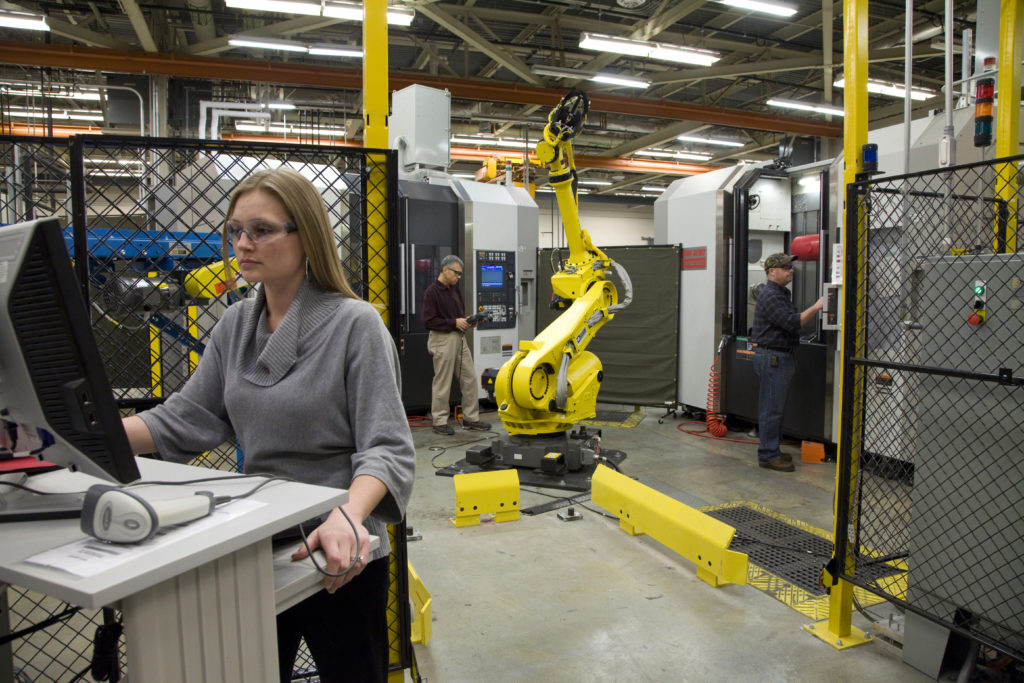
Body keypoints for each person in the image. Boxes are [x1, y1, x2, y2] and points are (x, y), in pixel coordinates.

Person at [121, 168, 415, 682]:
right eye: (236, 230)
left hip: (340, 548)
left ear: (307, 236)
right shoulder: (235, 326)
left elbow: (387, 447)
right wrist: (77, 435)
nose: (242, 244)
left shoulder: (355, 324)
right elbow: (186, 419)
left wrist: (348, 515)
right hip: (259, 543)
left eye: (261, 230)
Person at [751, 252, 824, 473]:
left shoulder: (781, 294)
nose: (791, 270)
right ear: (772, 271)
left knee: (776, 408)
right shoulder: (771, 296)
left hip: (779, 357)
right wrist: (817, 306)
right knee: (771, 409)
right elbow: (793, 322)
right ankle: (768, 455)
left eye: (790, 267)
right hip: (773, 358)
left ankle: (772, 449)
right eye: (785, 267)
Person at [421, 254, 491, 435]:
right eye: (456, 273)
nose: (459, 277)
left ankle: (471, 418)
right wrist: (454, 322)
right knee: (442, 381)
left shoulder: (454, 291)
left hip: (459, 338)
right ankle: (439, 422)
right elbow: (428, 321)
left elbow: (458, 316)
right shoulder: (432, 292)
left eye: (460, 274)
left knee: (470, 378)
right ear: (445, 269)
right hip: (442, 339)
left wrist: (468, 321)